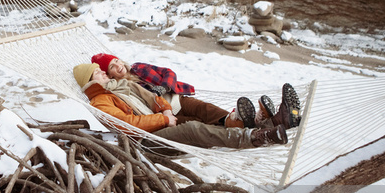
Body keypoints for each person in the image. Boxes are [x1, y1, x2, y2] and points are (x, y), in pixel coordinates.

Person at [73, 63, 300, 150]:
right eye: (98, 72)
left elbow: (151, 97)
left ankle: (273, 122)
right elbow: (127, 124)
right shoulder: (100, 101)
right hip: (145, 142)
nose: (103, 72)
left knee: (201, 117)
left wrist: (165, 110)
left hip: (160, 123)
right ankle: (255, 137)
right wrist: (164, 119)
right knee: (193, 128)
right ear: (89, 81)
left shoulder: (120, 85)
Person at [90, 53, 298, 130]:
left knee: (206, 109)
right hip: (163, 113)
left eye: (116, 61)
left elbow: (168, 72)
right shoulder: (119, 89)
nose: (118, 66)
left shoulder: (139, 68)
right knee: (198, 124)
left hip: (176, 98)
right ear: (109, 75)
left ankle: (249, 121)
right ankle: (264, 122)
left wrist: (166, 86)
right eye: (112, 68)